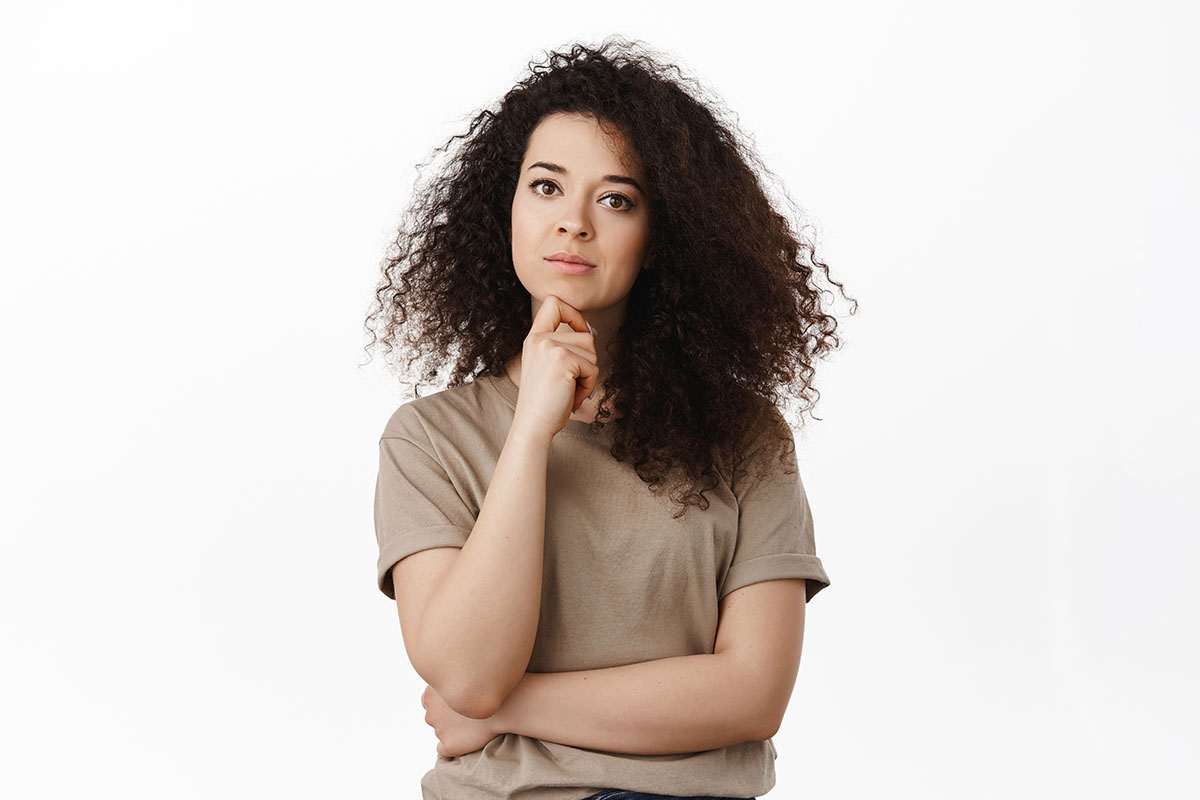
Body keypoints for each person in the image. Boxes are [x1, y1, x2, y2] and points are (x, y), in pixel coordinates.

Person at [362, 36, 855, 800]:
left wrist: (507, 711)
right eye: (546, 187)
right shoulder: (429, 440)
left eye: (616, 199)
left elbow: (754, 696)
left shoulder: (745, 437)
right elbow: (468, 673)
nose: (574, 223)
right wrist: (532, 428)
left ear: (660, 237)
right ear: (506, 209)